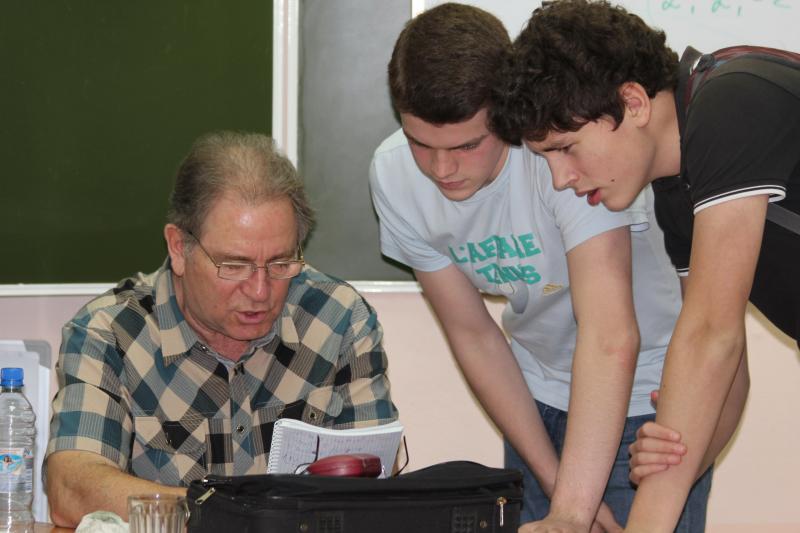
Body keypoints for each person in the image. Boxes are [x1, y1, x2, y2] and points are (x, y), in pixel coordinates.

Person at [369, 4, 712, 531]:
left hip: (643, 399)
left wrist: (573, 507)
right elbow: (473, 335)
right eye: (421, 143)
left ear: (508, 118)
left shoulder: (563, 153)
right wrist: (556, 481)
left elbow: (609, 336)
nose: (442, 168)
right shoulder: (395, 176)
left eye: (467, 145)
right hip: (537, 400)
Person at [491, 0, 798, 530]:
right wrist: (673, 459)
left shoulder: (731, 101)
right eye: (545, 159)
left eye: (566, 148)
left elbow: (711, 336)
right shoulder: (676, 196)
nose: (561, 179)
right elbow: (728, 374)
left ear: (632, 103)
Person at [44, 131, 398, 527]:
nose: (260, 291)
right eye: (234, 265)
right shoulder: (110, 334)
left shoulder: (339, 319)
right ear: (179, 247)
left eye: (280, 263)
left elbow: (376, 489)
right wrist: (230, 516)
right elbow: (72, 488)